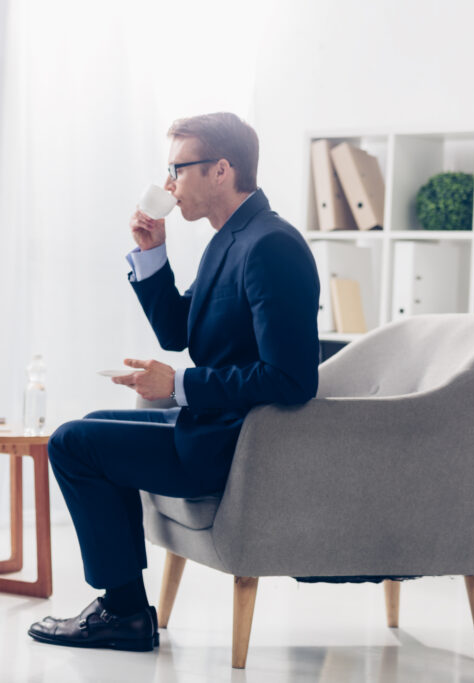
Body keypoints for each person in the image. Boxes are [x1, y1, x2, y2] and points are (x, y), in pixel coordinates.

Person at [28, 112, 320, 651]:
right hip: (210, 425)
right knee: (89, 428)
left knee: (72, 442)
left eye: (177, 169)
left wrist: (180, 386)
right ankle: (127, 610)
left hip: (233, 443)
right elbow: (178, 332)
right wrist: (152, 252)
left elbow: (292, 378)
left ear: (221, 171)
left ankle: (123, 613)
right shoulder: (231, 238)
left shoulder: (271, 246)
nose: (168, 185)